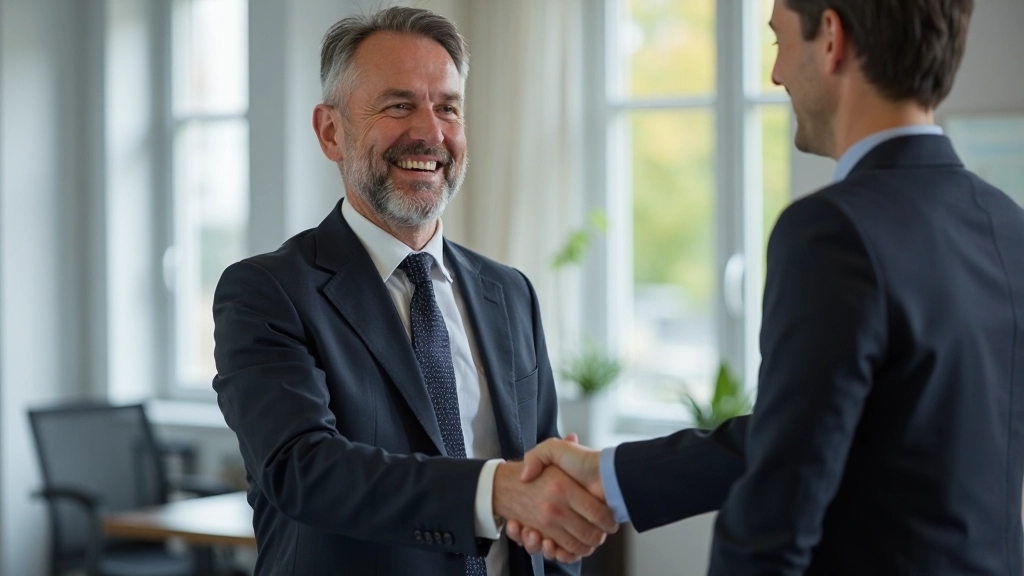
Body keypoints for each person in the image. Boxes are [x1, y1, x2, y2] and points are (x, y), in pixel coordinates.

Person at [510, 0, 1024, 574]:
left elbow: (776, 517)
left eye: (779, 41)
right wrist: (609, 475)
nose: (776, 74)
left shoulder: (833, 232)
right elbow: (833, 432)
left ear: (831, 37)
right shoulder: (1007, 223)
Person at [211, 7, 616, 576]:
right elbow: (303, 469)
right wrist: (491, 492)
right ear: (331, 131)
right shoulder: (266, 292)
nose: (431, 131)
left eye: (448, 107)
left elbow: (538, 481)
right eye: (399, 105)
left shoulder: (510, 293)